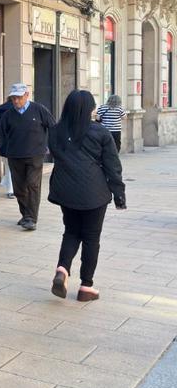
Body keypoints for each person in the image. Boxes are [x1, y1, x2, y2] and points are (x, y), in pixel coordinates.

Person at [48, 90, 126, 302]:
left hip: (65, 190)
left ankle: (62, 270)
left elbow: (56, 155)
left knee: (71, 231)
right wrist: (119, 194)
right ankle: (86, 286)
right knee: (91, 238)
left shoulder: (55, 132)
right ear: (90, 108)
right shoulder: (100, 132)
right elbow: (113, 166)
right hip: (94, 193)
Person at [0, 83, 55, 230]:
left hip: (35, 155)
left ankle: (31, 218)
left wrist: (54, 148)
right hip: (15, 156)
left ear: (27, 95)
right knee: (19, 189)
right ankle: (25, 215)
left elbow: (53, 128)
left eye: (19, 97)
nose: (16, 101)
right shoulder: (8, 114)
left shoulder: (39, 110)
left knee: (32, 185)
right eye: (13, 98)